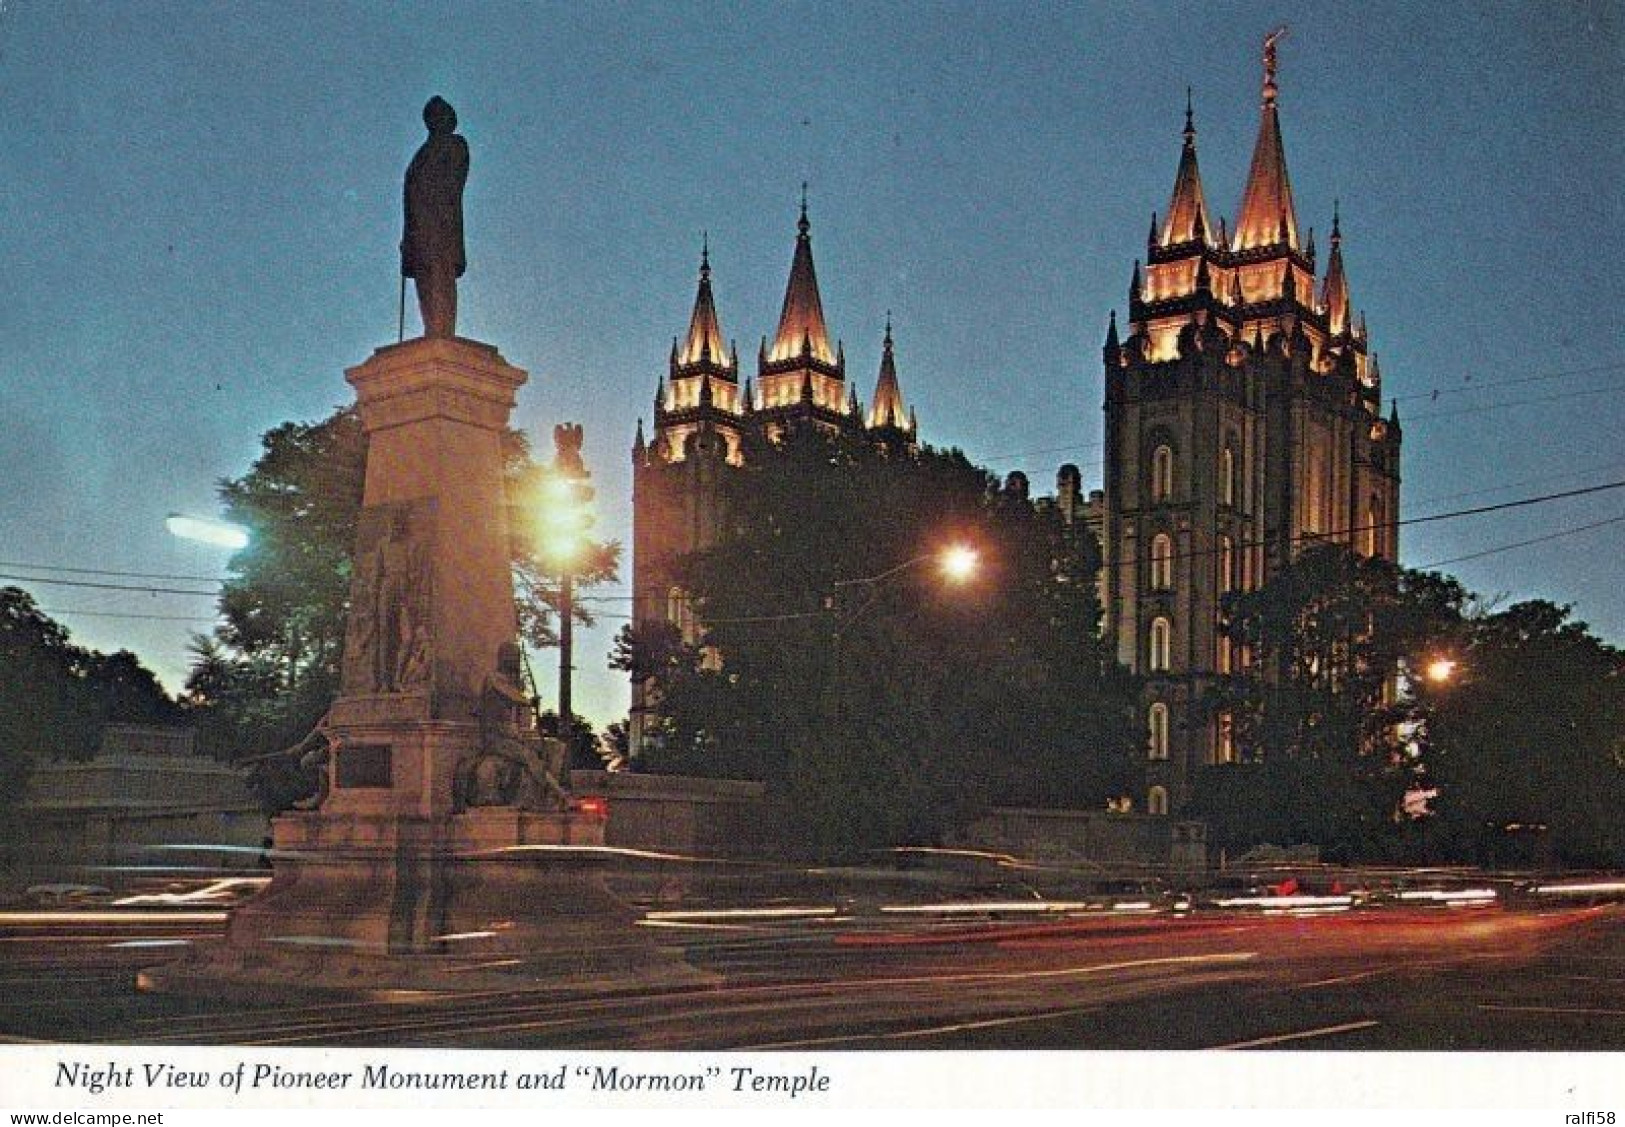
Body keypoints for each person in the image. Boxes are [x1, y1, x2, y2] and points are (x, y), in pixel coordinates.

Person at [401, 96, 469, 338]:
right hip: (418, 227)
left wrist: (437, 216)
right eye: (434, 115)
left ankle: (443, 329)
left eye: (443, 114)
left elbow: (452, 183)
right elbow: (412, 195)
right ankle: (431, 327)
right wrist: (407, 234)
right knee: (424, 278)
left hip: (441, 223)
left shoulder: (455, 144)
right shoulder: (420, 155)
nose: (439, 119)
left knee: (441, 274)